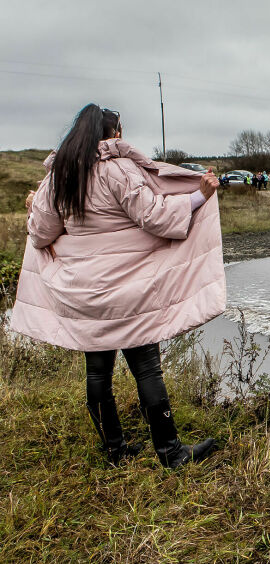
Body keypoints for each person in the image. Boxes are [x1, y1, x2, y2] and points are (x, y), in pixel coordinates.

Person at [11, 104, 226, 468]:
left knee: (97, 371)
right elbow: (155, 216)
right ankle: (171, 452)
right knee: (147, 369)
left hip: (83, 296)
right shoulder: (116, 170)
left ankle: (114, 450)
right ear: (110, 134)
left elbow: (41, 233)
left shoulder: (58, 178)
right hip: (127, 293)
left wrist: (35, 208)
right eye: (120, 131)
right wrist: (199, 195)